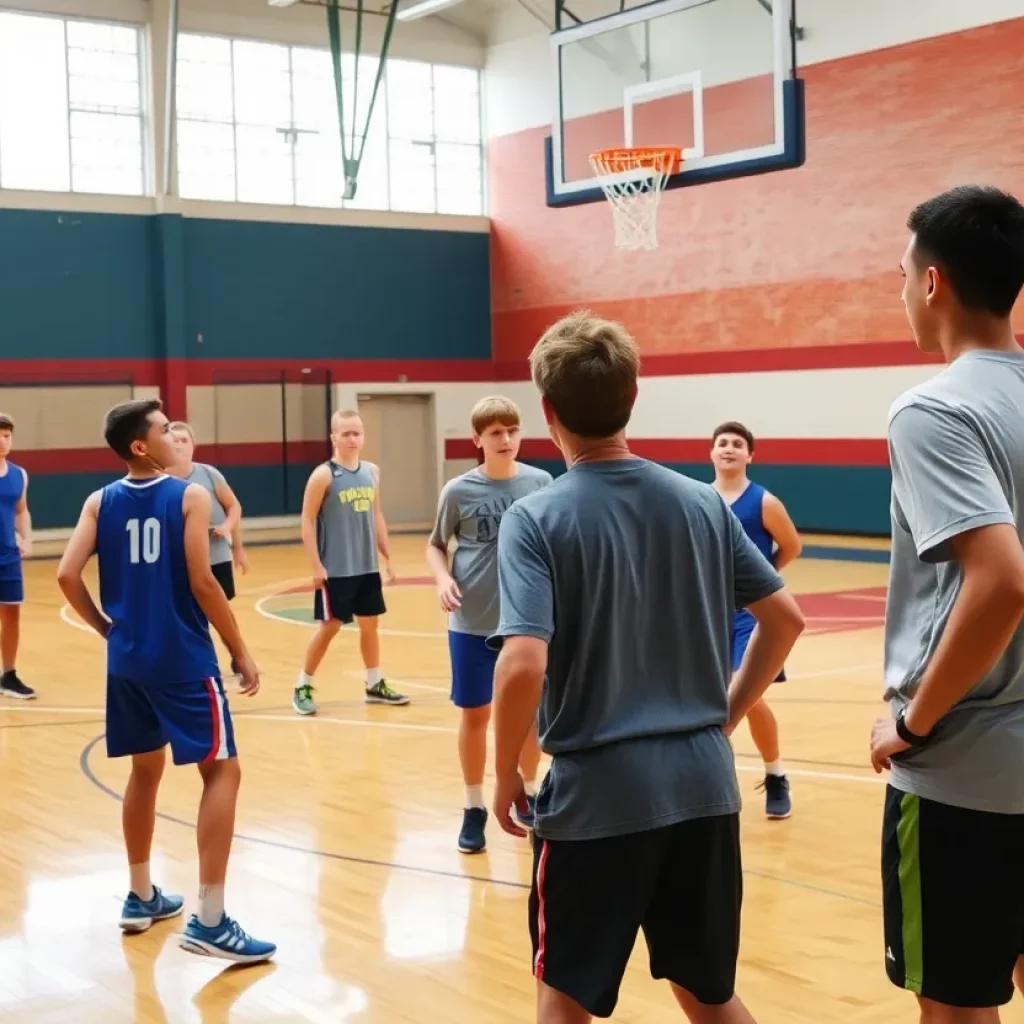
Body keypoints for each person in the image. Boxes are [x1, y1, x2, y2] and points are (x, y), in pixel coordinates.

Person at [489, 312, 805, 1024]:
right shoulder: (703, 503)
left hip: (597, 799)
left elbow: (522, 664)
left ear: (546, 410)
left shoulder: (535, 519)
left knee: (562, 1001)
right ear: (633, 396)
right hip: (704, 787)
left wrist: (505, 769)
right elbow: (785, 619)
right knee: (710, 996)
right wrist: (723, 717)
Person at [869, 185, 1024, 1021]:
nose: (901, 292)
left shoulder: (933, 409)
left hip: (965, 777)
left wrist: (915, 722)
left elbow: (1002, 581)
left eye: (903, 275)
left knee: (958, 1008)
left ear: (933, 283)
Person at [56, 398, 275, 963]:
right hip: (182, 659)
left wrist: (106, 629)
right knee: (223, 769)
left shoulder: (98, 501)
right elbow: (204, 582)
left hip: (128, 662)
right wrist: (240, 651)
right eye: (162, 431)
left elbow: (66, 574)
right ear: (140, 445)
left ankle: (140, 895)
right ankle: (211, 920)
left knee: (145, 770)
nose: (173, 437)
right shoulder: (188, 496)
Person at [426, 396, 552, 854]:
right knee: (475, 714)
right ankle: (474, 804)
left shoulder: (541, 483)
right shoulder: (458, 490)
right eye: (496, 432)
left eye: (512, 430)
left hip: (527, 623)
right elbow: (436, 545)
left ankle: (529, 791)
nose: (506, 439)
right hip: (472, 622)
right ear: (477, 439)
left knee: (530, 715)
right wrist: (443, 579)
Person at [710, 421, 802, 819]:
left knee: (746, 692)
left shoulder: (764, 501)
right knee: (711, 696)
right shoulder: (701, 499)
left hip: (752, 614)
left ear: (750, 455)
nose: (729, 448)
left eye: (737, 444)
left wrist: (762, 580)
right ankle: (712, 781)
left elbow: (792, 545)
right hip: (710, 612)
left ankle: (775, 773)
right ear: (712, 453)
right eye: (722, 443)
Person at [293, 409, 407, 715]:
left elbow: (376, 515)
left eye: (357, 433)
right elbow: (306, 521)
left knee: (371, 625)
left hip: (366, 567)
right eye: (346, 434)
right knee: (329, 627)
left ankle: (374, 683)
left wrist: (388, 557)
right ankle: (302, 685)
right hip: (336, 570)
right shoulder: (324, 475)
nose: (352, 439)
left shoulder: (371, 472)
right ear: (334, 437)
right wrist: (316, 565)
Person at [168, 422, 249, 601]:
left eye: (184, 440)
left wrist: (234, 541)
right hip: (181, 557)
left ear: (193, 446)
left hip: (216, 553)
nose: (179, 445)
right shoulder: (160, 479)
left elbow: (233, 506)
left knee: (220, 605)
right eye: (174, 441)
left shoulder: (209, 473)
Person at [0, 413, 35, 700]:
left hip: (8, 556)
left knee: (12, 614)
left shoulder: (19, 474)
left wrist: (26, 537)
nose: (3, 441)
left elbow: (21, 511)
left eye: (6, 435)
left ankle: (9, 675)